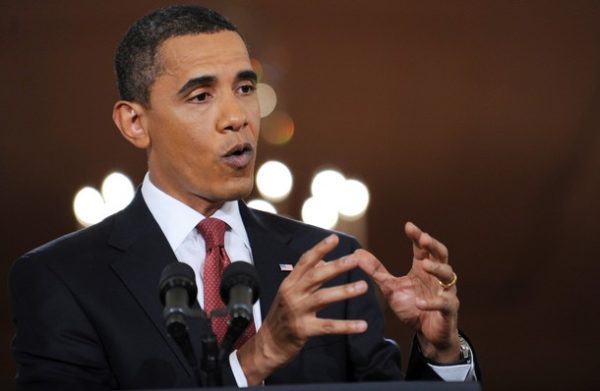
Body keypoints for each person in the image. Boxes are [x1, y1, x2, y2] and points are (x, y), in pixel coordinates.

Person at [9, 5, 480, 390]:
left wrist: (443, 353)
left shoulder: (329, 263)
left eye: (245, 88)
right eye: (200, 96)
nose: (237, 117)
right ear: (135, 122)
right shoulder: (63, 279)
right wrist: (251, 363)